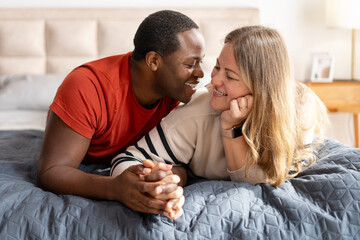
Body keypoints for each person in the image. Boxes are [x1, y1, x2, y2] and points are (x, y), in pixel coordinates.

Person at [111, 25, 329, 218]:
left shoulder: (300, 109)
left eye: (231, 76)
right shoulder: (198, 113)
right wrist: (150, 185)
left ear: (263, 87)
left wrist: (230, 128)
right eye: (217, 66)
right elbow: (128, 159)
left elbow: (264, 181)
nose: (213, 80)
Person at [37, 10, 205, 220]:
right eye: (190, 64)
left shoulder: (177, 95)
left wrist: (164, 181)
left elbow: (180, 162)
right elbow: (52, 171)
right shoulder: (87, 87)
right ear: (153, 61)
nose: (200, 73)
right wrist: (115, 188)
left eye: (201, 63)